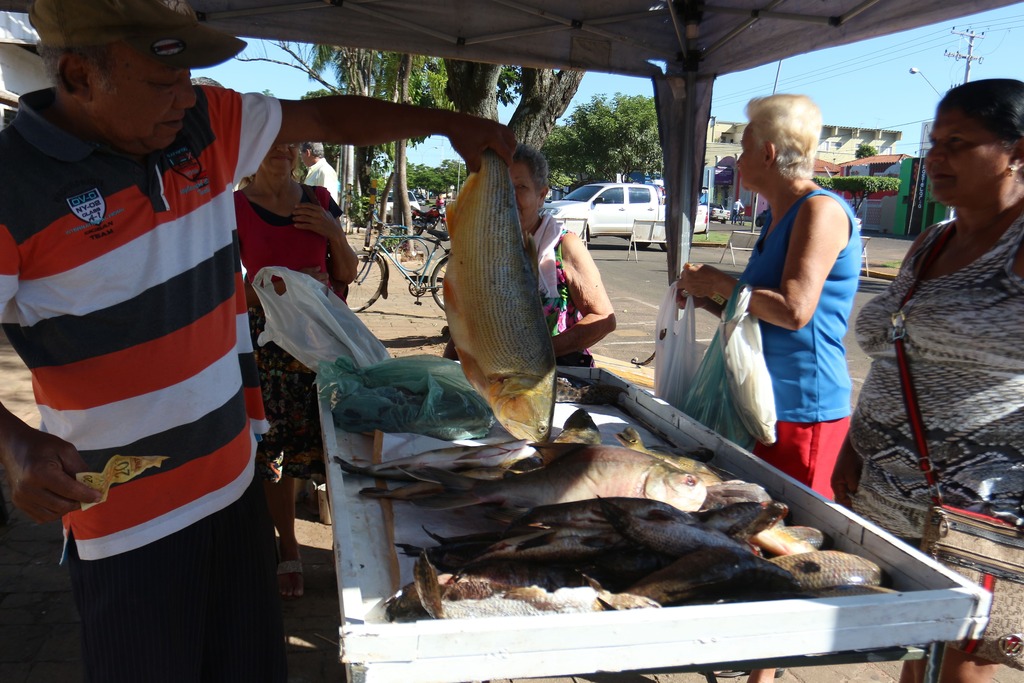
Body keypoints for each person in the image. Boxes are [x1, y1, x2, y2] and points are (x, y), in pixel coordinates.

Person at [0, 0, 515, 680]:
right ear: (79, 74)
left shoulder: (202, 126)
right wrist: (13, 445)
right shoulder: (11, 185)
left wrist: (450, 123)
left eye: (187, 74)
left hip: (234, 491)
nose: (186, 96)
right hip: (127, 531)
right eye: (162, 81)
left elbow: (325, 117)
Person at [831, 79, 1024, 683]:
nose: (936, 157)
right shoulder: (933, 241)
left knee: (964, 664)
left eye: (959, 143)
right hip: (892, 488)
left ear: (1018, 150)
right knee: (919, 650)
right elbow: (895, 356)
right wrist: (854, 447)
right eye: (934, 141)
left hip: (978, 507)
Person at [679, 94, 860, 683]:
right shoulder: (775, 218)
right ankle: (758, 659)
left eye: (741, 142)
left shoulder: (820, 210)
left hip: (802, 410)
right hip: (760, 404)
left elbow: (796, 310)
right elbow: (751, 321)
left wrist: (721, 283)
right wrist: (707, 297)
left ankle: (766, 671)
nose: (734, 157)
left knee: (791, 545)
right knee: (753, 532)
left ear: (767, 150)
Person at [236, 143, 357, 598]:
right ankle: (288, 546)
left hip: (327, 343)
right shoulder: (236, 208)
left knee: (339, 444)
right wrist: (277, 288)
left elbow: (345, 273)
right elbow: (228, 291)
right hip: (272, 348)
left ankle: (349, 547)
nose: (283, 148)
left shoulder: (320, 202)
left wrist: (333, 233)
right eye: (270, 139)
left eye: (292, 139)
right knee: (277, 453)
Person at [444, 144, 615, 366]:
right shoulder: (485, 250)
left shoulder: (564, 245)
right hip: (495, 377)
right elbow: (467, 324)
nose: (508, 196)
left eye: (520, 187)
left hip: (556, 377)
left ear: (541, 195)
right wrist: (445, 370)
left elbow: (603, 319)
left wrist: (538, 353)